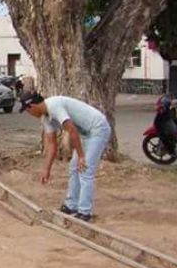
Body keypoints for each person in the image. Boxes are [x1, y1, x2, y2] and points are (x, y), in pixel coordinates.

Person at [19, 92, 112, 222]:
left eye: (28, 111)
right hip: (85, 133)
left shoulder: (54, 106)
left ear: (32, 106)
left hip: (97, 128)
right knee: (74, 168)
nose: (29, 115)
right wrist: (47, 169)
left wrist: (81, 156)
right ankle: (71, 206)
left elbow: (72, 130)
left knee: (84, 169)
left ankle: (85, 212)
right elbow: (52, 145)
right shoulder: (45, 118)